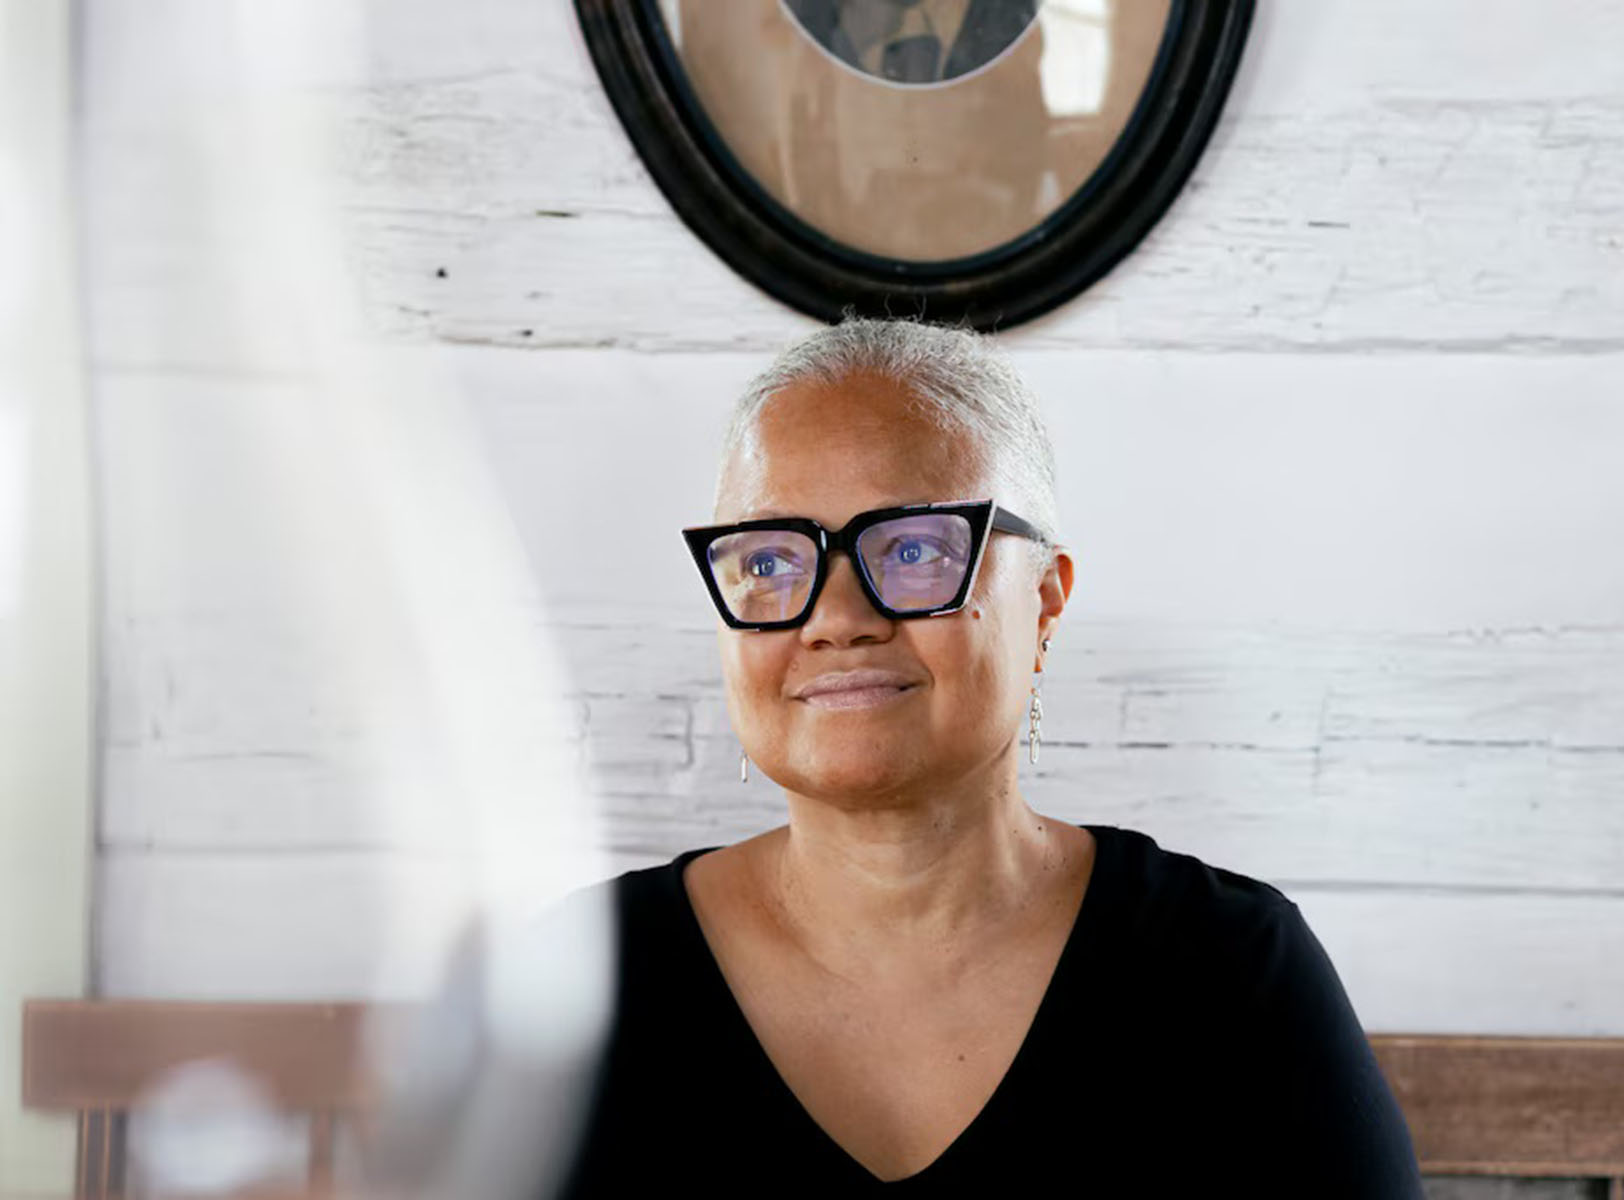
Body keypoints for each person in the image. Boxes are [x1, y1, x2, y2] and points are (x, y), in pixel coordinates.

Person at [559, 316, 1425, 1193]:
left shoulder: (1230, 971)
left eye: (914, 550)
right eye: (773, 561)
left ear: (1045, 602)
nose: (838, 617)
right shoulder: (570, 982)